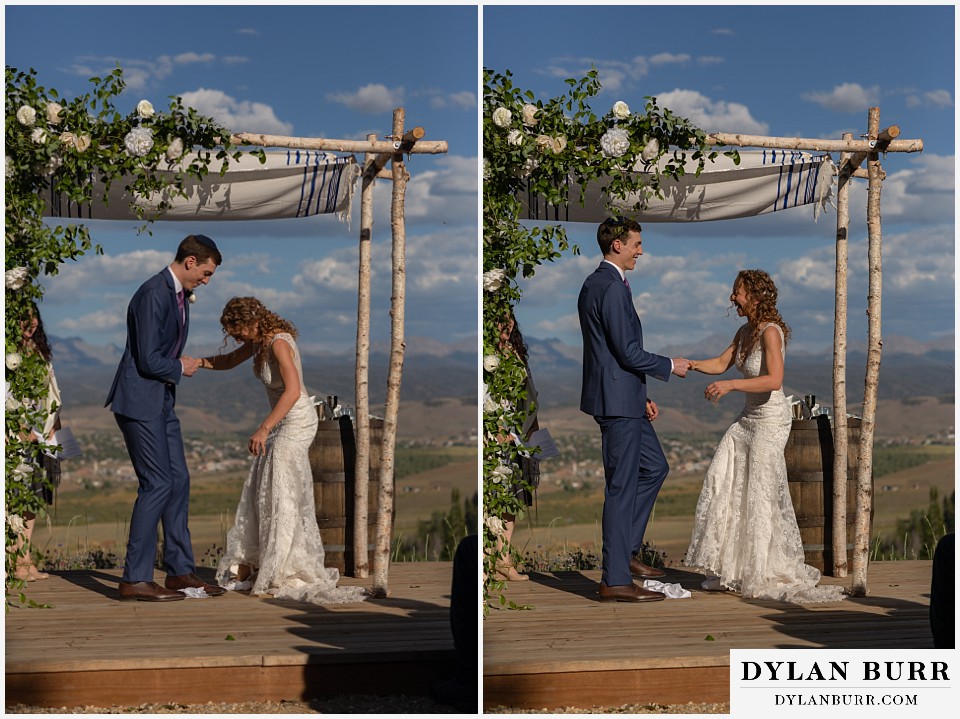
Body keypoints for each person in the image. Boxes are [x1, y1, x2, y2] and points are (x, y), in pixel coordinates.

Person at [684, 269, 846, 603]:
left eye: (737, 292)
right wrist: (689, 364)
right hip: (747, 420)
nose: (733, 298)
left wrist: (730, 385)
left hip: (771, 420)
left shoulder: (771, 333)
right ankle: (734, 565)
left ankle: (761, 569)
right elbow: (720, 362)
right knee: (723, 473)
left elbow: (773, 380)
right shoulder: (744, 331)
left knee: (759, 490)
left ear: (756, 296)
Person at [199, 297, 366, 604]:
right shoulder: (259, 342)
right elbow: (227, 361)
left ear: (251, 322)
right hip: (282, 420)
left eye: (236, 330)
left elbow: (292, 391)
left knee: (283, 491)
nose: (235, 337)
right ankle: (265, 560)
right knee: (266, 487)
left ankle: (282, 565)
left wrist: (263, 428)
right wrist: (197, 362)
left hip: (295, 420)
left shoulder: (277, 343)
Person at [105, 234, 225, 602]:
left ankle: (180, 571)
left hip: (161, 401)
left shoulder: (176, 294)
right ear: (190, 262)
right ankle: (135, 578)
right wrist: (181, 365)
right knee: (156, 483)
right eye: (205, 273)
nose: (205, 281)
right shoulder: (154, 293)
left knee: (179, 480)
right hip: (139, 401)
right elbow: (147, 359)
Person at [577, 217, 690, 603]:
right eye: (637, 244)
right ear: (617, 246)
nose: (641, 250)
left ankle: (626, 551)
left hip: (625, 398)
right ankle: (615, 579)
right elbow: (626, 351)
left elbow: (611, 353)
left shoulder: (604, 284)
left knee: (655, 467)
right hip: (615, 403)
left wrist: (639, 396)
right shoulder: (609, 287)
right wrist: (668, 365)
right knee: (621, 488)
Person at [7, 305, 61, 581]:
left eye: (34, 315)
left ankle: (25, 558)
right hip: (18, 436)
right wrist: (18, 426)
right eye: (23, 317)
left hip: (44, 433)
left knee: (33, 499)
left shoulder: (40, 352)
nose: (30, 322)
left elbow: (51, 391)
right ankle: (13, 560)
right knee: (15, 499)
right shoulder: (8, 353)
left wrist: (55, 425)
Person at [494, 315, 538, 582]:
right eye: (501, 321)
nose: (507, 326)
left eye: (510, 321)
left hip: (519, 432)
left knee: (514, 499)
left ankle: (503, 559)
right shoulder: (489, 355)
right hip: (497, 433)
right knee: (498, 498)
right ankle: (495, 559)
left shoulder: (516, 353)